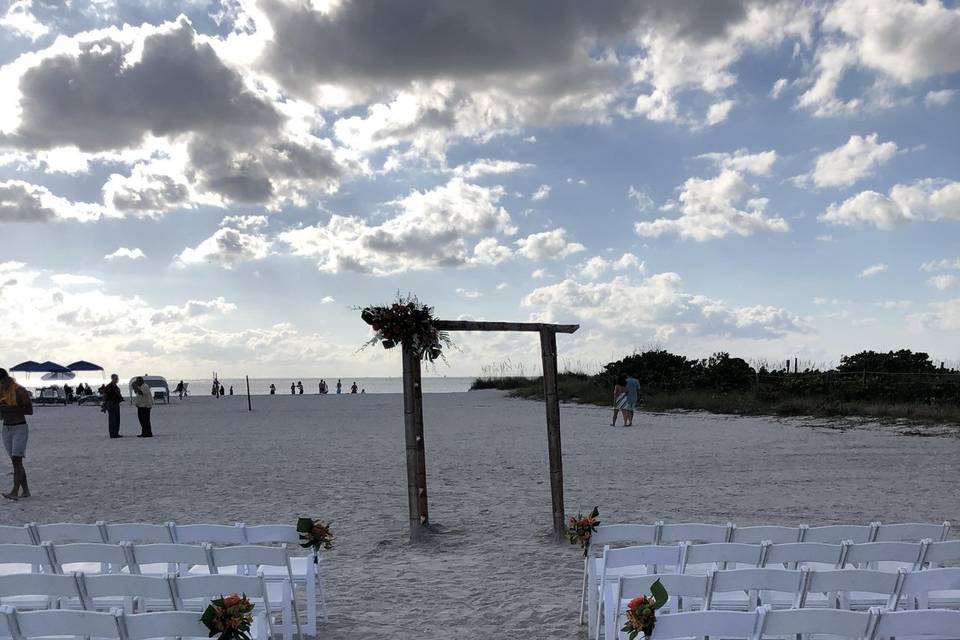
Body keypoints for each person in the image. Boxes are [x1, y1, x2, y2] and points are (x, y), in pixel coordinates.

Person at [0, 368, 32, 500]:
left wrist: (11, 409)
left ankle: (14, 491)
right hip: (6, 428)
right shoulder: (1, 392)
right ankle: (26, 491)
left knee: (17, 461)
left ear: (4, 379)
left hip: (19, 427)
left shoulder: (20, 390)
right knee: (15, 461)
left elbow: (29, 410)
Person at [102, 374, 124, 438]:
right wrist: (104, 404)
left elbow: (118, 394)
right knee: (112, 419)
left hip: (116, 403)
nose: (117, 379)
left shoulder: (116, 386)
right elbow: (105, 395)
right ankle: (112, 434)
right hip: (111, 404)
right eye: (116, 378)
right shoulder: (109, 386)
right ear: (112, 378)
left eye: (117, 378)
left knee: (117, 419)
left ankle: (116, 433)